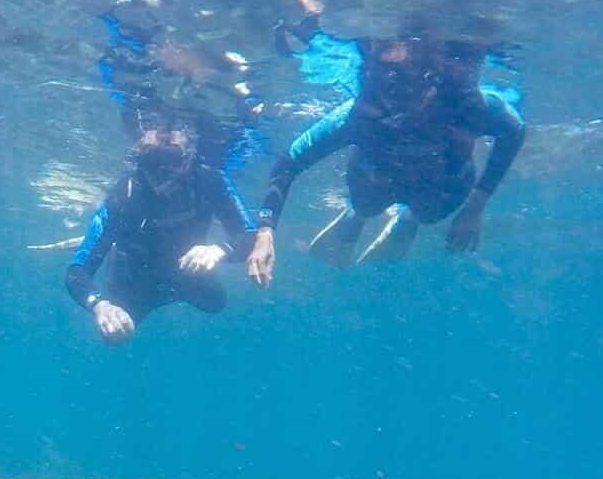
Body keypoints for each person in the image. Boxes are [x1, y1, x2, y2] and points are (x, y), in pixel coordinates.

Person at [245, 32, 524, 282]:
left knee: (430, 215)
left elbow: (515, 132)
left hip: (443, 184)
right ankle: (357, 216)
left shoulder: (469, 105)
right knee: (367, 204)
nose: (401, 111)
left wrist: (477, 204)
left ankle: (407, 218)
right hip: (376, 181)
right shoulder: (358, 117)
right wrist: (265, 232)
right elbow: (289, 162)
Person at [65, 118, 260, 344]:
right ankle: (113, 244)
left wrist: (221, 249)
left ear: (190, 157)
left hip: (186, 275)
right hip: (136, 282)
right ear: (139, 158)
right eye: (151, 161)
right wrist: (98, 304)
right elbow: (77, 271)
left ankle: (114, 242)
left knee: (217, 303)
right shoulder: (125, 193)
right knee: (116, 337)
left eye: (171, 159)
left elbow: (251, 237)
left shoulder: (209, 179)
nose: (161, 173)